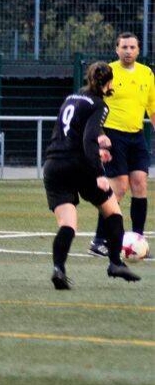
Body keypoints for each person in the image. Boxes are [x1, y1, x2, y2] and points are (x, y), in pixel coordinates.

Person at [43, 61, 140, 290]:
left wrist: (100, 141)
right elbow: (87, 139)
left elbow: (75, 131)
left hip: (54, 165)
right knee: (113, 212)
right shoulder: (99, 104)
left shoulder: (72, 98)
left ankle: (59, 269)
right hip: (80, 166)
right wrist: (99, 173)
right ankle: (115, 263)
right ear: (109, 83)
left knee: (68, 224)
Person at [88, 32, 155, 257]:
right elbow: (94, 104)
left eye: (132, 47)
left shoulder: (147, 73)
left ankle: (137, 240)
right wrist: (99, 135)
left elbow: (152, 107)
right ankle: (99, 240)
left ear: (138, 50)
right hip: (113, 135)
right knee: (118, 188)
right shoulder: (108, 71)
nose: (128, 51)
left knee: (140, 184)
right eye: (124, 47)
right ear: (116, 49)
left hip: (137, 136)